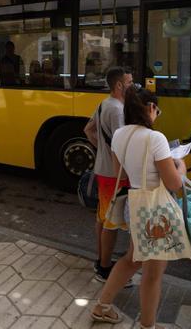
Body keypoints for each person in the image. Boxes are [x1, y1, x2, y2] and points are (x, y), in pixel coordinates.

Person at [90, 85, 186, 328]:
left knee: (132, 259)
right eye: (157, 111)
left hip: (134, 204)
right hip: (155, 211)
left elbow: (118, 173)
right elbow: (174, 184)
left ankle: (102, 306)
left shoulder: (120, 135)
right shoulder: (155, 138)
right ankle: (147, 325)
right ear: (151, 108)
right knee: (152, 274)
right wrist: (180, 165)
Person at [83, 67, 133, 282]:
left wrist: (102, 150)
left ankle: (101, 260)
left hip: (102, 170)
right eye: (129, 82)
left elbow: (88, 130)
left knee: (103, 218)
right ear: (119, 85)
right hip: (115, 174)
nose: (133, 86)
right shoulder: (118, 110)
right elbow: (121, 146)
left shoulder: (104, 104)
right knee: (111, 223)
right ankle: (104, 268)